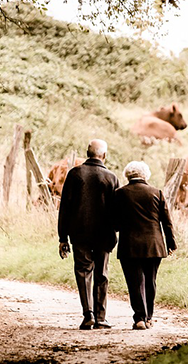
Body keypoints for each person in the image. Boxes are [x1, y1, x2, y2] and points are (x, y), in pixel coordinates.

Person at [58, 139, 119, 330]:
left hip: (79, 233)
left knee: (83, 272)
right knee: (102, 274)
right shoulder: (111, 177)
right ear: (105, 156)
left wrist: (63, 237)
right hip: (104, 234)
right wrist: (115, 231)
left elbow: (65, 208)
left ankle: (88, 315)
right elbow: (117, 211)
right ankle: (101, 318)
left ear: (87, 153)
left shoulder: (75, 174)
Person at [114, 161, 177, 330]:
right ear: (145, 175)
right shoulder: (157, 193)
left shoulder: (120, 194)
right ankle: (149, 317)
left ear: (127, 175)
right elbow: (167, 222)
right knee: (150, 281)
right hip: (154, 245)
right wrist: (170, 243)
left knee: (135, 282)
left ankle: (139, 318)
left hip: (129, 245)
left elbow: (114, 222)